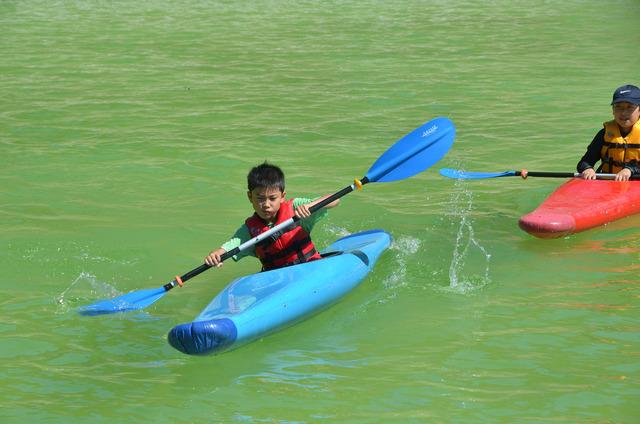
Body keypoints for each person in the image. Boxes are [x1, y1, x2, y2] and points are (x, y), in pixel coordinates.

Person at [204, 162, 340, 271]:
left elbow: (335, 200)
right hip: (276, 280)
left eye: (272, 198)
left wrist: (312, 206)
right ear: (250, 197)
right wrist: (216, 255)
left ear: (282, 197)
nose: (266, 204)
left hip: (311, 267)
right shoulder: (248, 231)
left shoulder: (295, 208)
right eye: (260, 198)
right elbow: (227, 248)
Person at [577, 84, 640, 181]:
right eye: (618, 107)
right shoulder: (604, 133)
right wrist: (587, 169)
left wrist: (631, 170)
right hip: (609, 185)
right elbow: (585, 162)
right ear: (613, 110)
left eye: (629, 107)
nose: (623, 113)